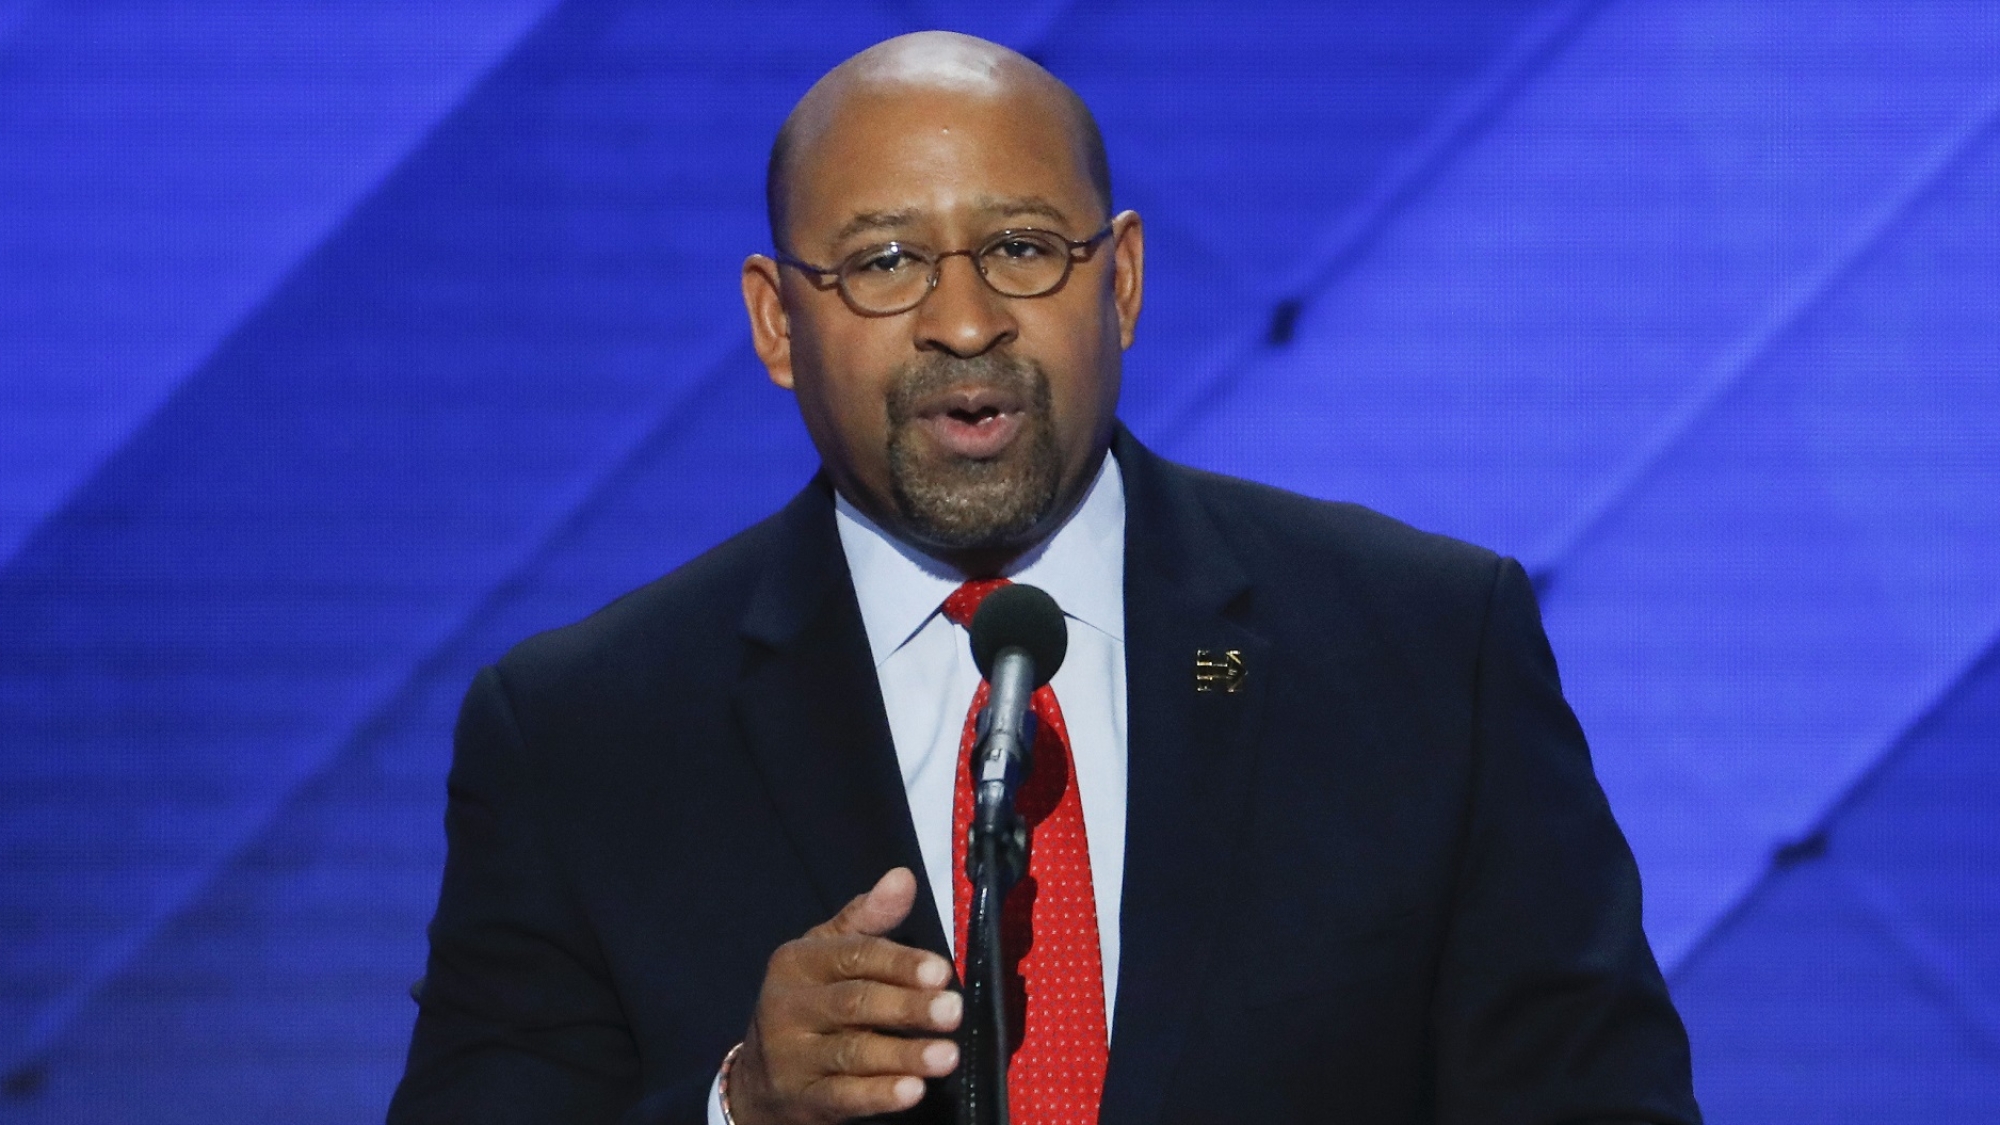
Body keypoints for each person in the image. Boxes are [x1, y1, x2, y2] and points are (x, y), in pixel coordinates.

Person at [388, 30, 1700, 1125]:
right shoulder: (581, 733)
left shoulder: (1423, 650)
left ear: (1120, 281)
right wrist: (740, 1105)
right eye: (886, 262)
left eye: (1022, 246)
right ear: (777, 324)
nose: (966, 322)